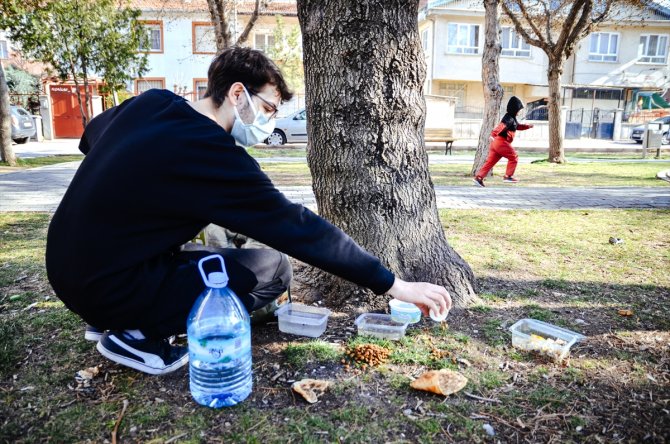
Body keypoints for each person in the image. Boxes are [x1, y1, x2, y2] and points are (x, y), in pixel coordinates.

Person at [45, 47, 452, 375]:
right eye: (270, 108)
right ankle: (137, 334)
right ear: (237, 94)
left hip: (68, 268)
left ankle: (110, 314)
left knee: (195, 255)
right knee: (273, 268)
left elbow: (90, 135)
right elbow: (299, 228)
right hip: (110, 285)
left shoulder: (151, 102)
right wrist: (395, 285)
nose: (268, 120)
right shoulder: (213, 153)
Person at [473, 96, 533, 187]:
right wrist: (493, 134)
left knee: (490, 162)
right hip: (501, 142)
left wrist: (527, 126)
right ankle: (508, 176)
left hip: (496, 144)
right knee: (514, 157)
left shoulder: (512, 118)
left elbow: (517, 126)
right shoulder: (508, 118)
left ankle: (479, 178)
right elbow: (501, 126)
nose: (519, 112)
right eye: (519, 110)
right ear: (514, 109)